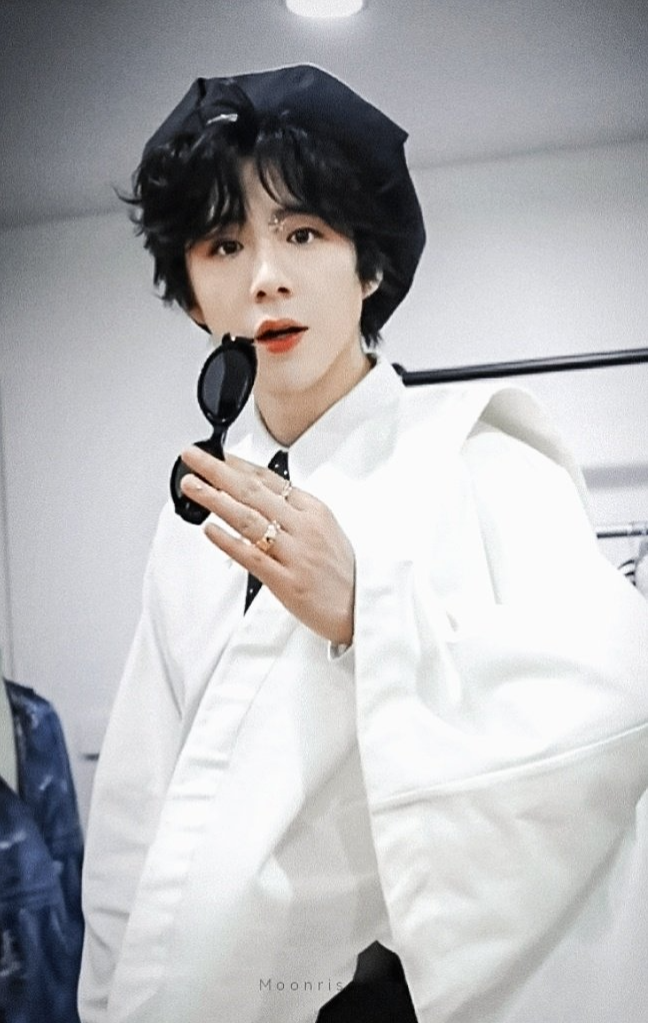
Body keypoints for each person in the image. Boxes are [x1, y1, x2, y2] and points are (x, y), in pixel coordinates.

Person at [78, 65, 648, 1023]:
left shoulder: (486, 458)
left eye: (303, 233)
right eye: (224, 243)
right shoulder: (196, 520)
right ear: (193, 296)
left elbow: (614, 706)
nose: (265, 276)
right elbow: (140, 805)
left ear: (370, 265)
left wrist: (368, 613)